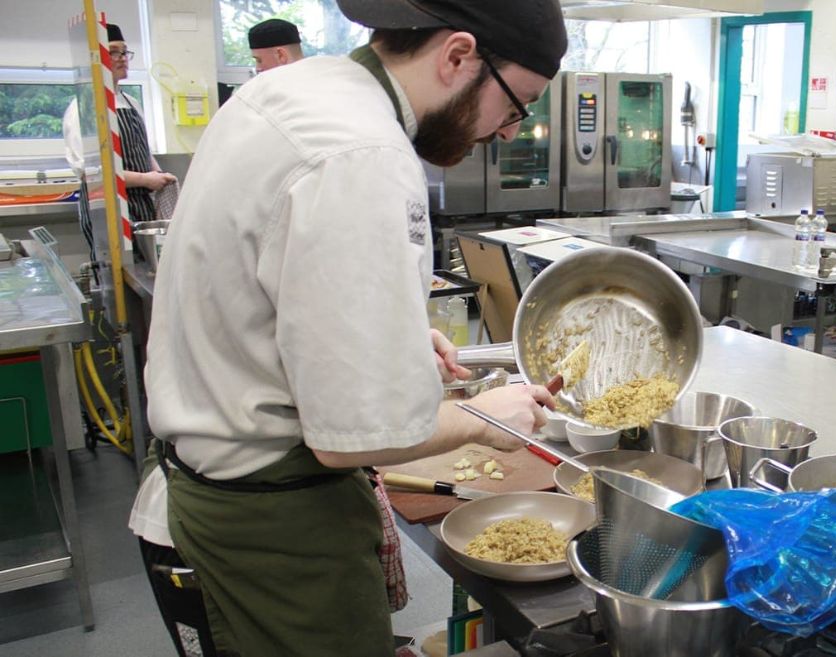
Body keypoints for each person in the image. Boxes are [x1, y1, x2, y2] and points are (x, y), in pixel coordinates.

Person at [131, 0, 569, 655]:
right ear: (458, 56)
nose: (508, 132)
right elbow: (356, 436)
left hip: (204, 487)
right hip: (269, 532)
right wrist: (488, 417)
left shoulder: (288, 91)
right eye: (515, 104)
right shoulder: (363, 153)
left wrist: (377, 327)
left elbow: (267, 278)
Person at [63, 23, 175, 259]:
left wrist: (159, 175)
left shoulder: (131, 102)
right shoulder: (85, 109)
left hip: (140, 205)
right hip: (107, 208)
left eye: (124, 52)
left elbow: (143, 151)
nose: (122, 58)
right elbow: (92, 173)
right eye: (113, 52)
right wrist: (146, 179)